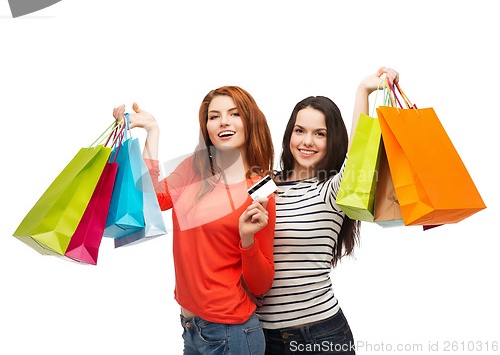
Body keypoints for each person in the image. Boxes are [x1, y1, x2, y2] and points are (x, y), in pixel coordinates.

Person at [113, 86, 276, 355]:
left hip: (232, 334)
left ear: (250, 121)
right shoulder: (193, 168)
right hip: (191, 328)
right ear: (207, 128)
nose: (223, 121)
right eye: (214, 116)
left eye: (234, 114)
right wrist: (152, 131)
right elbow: (151, 200)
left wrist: (247, 239)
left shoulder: (261, 188)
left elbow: (261, 284)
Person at [256, 67, 399, 355]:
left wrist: (364, 91)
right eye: (300, 130)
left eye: (319, 134)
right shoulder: (265, 182)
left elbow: (359, 151)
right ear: (289, 134)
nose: (307, 141)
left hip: (319, 336)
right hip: (260, 336)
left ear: (332, 140)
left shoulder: (332, 189)